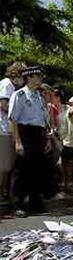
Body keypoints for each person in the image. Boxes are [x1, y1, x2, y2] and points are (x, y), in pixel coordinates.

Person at [8, 65, 51, 213]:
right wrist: (18, 142)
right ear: (30, 78)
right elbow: (13, 119)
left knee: (37, 168)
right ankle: (17, 203)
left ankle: (35, 202)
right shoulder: (19, 95)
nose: (40, 79)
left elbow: (43, 120)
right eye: (38, 76)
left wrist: (47, 139)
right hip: (25, 132)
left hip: (38, 133)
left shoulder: (39, 97)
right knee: (22, 169)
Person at [0, 62, 26, 199]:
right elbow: (4, 105)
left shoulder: (12, 87)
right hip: (3, 129)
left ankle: (5, 194)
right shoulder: (6, 84)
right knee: (4, 166)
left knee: (8, 165)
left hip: (7, 129)